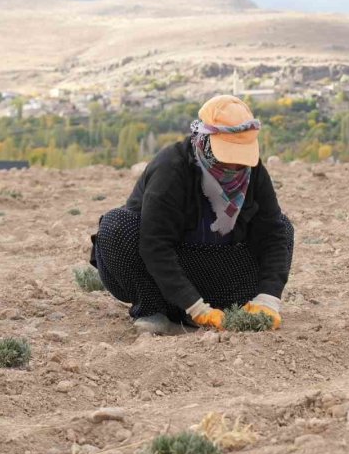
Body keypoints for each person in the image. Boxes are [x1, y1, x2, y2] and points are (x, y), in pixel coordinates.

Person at [90, 95, 293, 335]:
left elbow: (273, 235)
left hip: (217, 273)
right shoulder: (171, 168)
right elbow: (154, 245)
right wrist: (197, 308)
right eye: (228, 155)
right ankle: (155, 311)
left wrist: (268, 300)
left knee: (283, 227)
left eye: (241, 158)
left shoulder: (253, 173)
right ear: (205, 140)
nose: (235, 167)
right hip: (157, 273)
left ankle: (208, 310)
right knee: (118, 226)